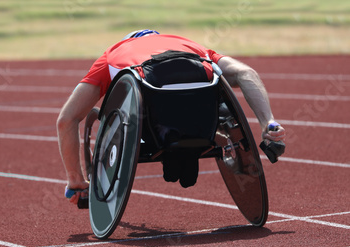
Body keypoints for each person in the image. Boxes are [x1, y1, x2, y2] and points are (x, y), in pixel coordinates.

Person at [57, 29, 286, 206]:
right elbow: (246, 74)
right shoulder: (190, 44)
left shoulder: (114, 53)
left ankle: (171, 141)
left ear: (129, 40)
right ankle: (267, 127)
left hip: (154, 116)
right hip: (203, 116)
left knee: (148, 104)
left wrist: (76, 182)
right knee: (212, 94)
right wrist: (268, 121)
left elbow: (66, 120)